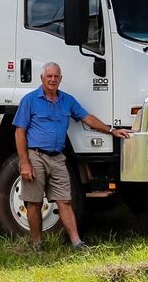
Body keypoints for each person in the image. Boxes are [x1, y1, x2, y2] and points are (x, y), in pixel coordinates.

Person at [13, 62, 131, 249]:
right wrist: (24, 162)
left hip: (58, 158)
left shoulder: (67, 100)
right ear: (42, 78)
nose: (52, 80)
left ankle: (77, 242)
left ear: (61, 79)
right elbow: (20, 132)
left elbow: (87, 118)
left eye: (56, 76)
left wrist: (112, 130)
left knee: (65, 201)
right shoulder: (29, 100)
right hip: (35, 156)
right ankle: (36, 243)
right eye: (49, 76)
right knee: (34, 202)